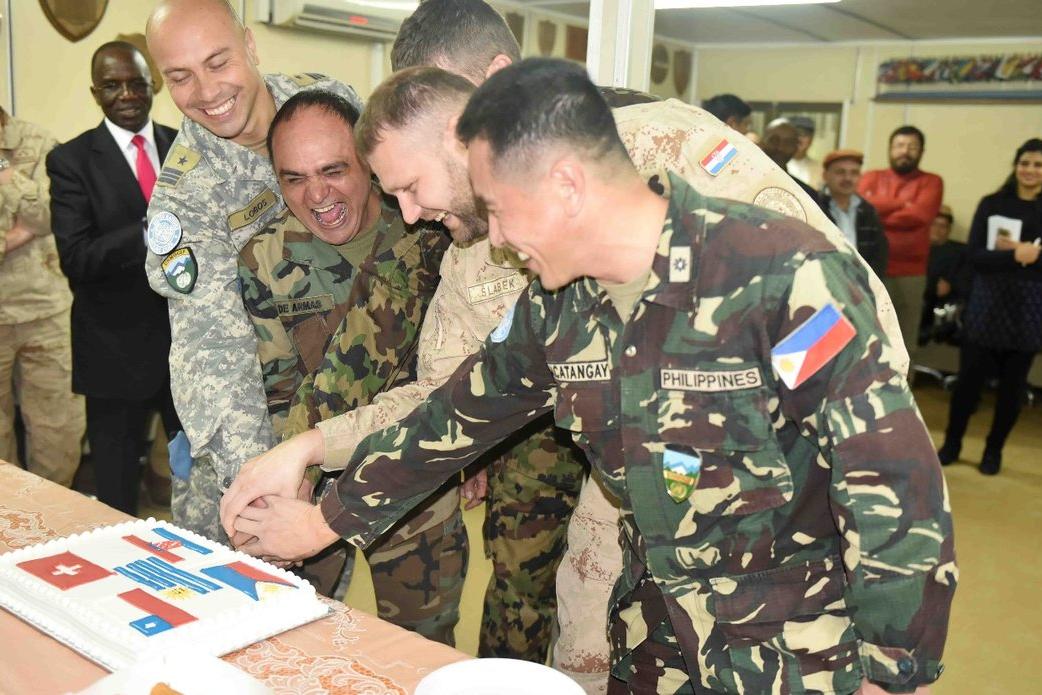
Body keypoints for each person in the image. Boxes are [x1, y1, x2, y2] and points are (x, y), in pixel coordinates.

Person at [221, 3, 909, 689]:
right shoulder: (501, 263)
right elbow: (449, 404)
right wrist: (313, 464)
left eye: (416, 179)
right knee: (587, 643)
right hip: (638, 505)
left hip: (778, 540)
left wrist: (891, 655)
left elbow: (865, 399)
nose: (412, 214)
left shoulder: (687, 172)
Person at [237, 90, 463, 642]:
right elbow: (278, 393)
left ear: (368, 162)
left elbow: (471, 361)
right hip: (309, 487)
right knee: (288, 637)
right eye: (294, 178)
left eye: (333, 170)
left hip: (417, 482)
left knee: (421, 646)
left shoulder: (429, 229)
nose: (317, 195)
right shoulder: (267, 260)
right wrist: (285, 489)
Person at [143, 0, 361, 540]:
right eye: (180, 77)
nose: (207, 91)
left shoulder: (329, 102)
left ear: (250, 44)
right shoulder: (186, 197)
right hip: (259, 434)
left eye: (218, 62)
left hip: (357, 398)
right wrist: (258, 495)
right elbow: (212, 349)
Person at [47, 41, 181, 515]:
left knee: (195, 480)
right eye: (112, 85)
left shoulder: (183, 147)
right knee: (116, 499)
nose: (126, 94)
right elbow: (77, 258)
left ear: (152, 86)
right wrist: (148, 231)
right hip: (114, 352)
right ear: (95, 93)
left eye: (136, 84)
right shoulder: (71, 161)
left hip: (187, 347)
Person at [938, 138, 1042, 475]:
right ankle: (952, 444)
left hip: (1029, 309)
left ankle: (993, 451)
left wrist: (1027, 255)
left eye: (1038, 165)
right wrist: (1017, 255)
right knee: (967, 383)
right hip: (987, 304)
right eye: (1025, 163)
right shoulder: (992, 203)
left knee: (1012, 389)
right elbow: (976, 256)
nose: (1030, 170)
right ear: (1015, 166)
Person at [0, 107, 85, 486]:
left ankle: (51, 512)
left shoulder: (37, 142)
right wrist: (15, 235)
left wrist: (6, 172)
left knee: (59, 431)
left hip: (45, 311)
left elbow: (52, 215)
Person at [859, 125, 944, 361]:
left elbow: (919, 216)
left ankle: (902, 386)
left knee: (903, 343)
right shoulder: (871, 177)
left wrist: (879, 209)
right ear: (890, 148)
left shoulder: (932, 182)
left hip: (910, 274)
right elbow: (863, 210)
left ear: (921, 151)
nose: (905, 151)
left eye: (912, 147)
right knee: (865, 336)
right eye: (899, 145)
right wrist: (903, 203)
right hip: (869, 269)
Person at [818, 148, 888, 277]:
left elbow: (879, 254)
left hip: (861, 283)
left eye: (854, 173)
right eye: (840, 172)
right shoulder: (815, 207)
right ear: (825, 176)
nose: (848, 178)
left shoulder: (868, 211)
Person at [920, 205, 970, 345]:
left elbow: (967, 282)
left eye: (942, 226)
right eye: (934, 224)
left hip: (945, 303)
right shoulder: (914, 249)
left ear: (949, 230)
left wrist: (951, 285)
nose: (937, 229)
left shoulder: (960, 252)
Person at [761, 118, 820, 204]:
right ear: (762, 142)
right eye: (774, 140)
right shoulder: (743, 178)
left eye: (788, 143)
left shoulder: (807, 195)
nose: (780, 148)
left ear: (796, 147)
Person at [786, 115, 822, 190]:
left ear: (811, 139)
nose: (799, 139)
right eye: (795, 134)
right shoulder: (774, 165)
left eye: (804, 134)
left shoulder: (821, 170)